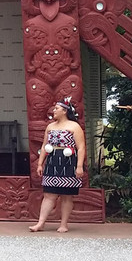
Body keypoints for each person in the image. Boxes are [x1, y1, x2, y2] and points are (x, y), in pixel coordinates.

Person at [29, 97, 86, 234]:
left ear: (65, 111)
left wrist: (79, 166)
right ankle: (40, 223)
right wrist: (40, 163)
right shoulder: (50, 127)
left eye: (56, 109)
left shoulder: (74, 126)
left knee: (66, 196)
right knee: (49, 194)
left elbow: (81, 147)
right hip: (52, 161)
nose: (53, 111)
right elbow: (44, 146)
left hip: (68, 163)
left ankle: (64, 224)